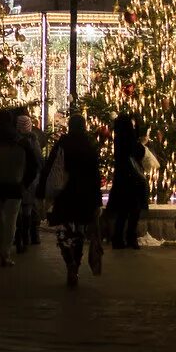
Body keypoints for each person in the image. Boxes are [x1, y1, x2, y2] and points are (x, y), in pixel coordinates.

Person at [38, 114, 103, 287]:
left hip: (64, 194)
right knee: (79, 231)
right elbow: (95, 177)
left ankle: (69, 262)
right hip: (84, 196)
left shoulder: (62, 144)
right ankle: (76, 262)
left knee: (63, 230)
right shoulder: (89, 146)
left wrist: (42, 192)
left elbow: (50, 167)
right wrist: (97, 201)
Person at [0, 108, 40, 268]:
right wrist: (25, 183)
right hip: (15, 186)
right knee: (11, 220)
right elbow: (34, 164)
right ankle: (6, 253)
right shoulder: (20, 141)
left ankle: (1, 249)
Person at [108, 113, 147, 249]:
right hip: (132, 180)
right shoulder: (129, 139)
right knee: (133, 210)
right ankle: (131, 238)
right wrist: (142, 144)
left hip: (121, 179)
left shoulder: (118, 138)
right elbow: (138, 152)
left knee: (123, 211)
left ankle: (118, 239)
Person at [14, 113, 44, 253]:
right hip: (31, 179)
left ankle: (19, 237)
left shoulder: (15, 141)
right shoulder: (33, 141)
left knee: (19, 209)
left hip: (18, 178)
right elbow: (38, 160)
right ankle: (28, 237)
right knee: (29, 208)